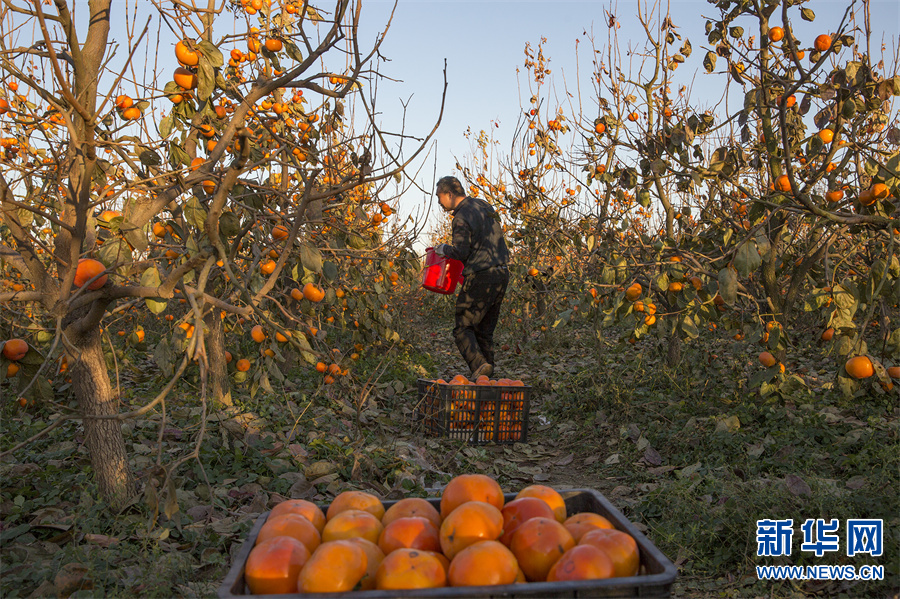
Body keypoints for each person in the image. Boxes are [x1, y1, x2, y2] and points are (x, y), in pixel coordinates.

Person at [433, 176, 510, 379]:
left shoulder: (461, 217)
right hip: (501, 273)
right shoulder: (484, 206)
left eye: (439, 196)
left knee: (463, 327)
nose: (439, 202)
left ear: (449, 194)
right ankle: (487, 381)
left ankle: (479, 366)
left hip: (481, 275)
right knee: (484, 331)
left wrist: (443, 249)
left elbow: (461, 252)